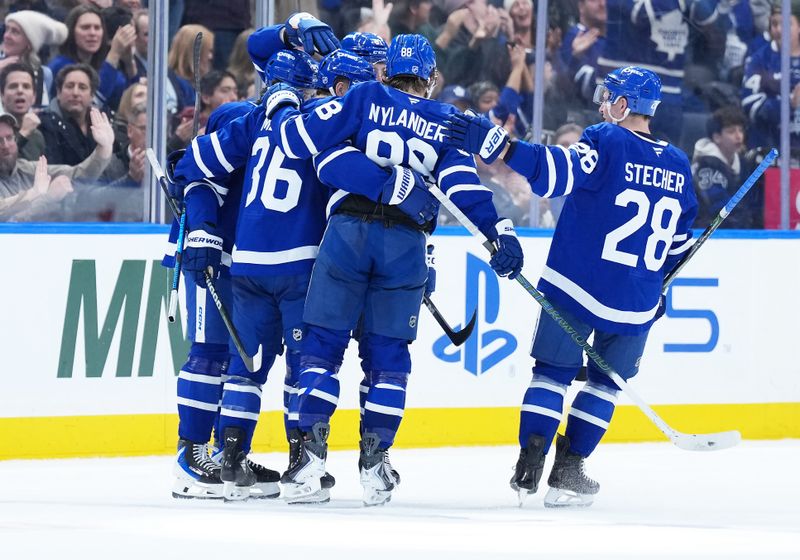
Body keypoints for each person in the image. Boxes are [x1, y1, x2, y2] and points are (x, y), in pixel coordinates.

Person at [173, 26, 441, 506]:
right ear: (343, 82)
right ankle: (276, 461)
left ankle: (232, 458)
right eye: (373, 75)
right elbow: (196, 176)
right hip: (265, 258)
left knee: (243, 365)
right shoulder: (332, 119)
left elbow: (189, 163)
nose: (381, 86)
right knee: (255, 358)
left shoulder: (265, 115)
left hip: (246, 259)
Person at [263, 33, 523, 506]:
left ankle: (309, 462)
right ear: (431, 78)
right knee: (388, 362)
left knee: (320, 350)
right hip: (406, 244)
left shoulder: (364, 95)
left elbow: (304, 144)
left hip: (346, 234)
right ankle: (375, 464)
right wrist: (500, 233)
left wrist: (283, 107)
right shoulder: (448, 121)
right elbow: (465, 191)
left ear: (386, 70)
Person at [444, 66, 697, 507]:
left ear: (624, 105)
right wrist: (658, 291)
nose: (601, 104)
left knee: (552, 375)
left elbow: (553, 172)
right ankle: (569, 472)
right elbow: (677, 245)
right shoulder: (678, 165)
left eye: (608, 96)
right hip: (635, 303)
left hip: (577, 285)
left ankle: (530, 463)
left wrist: (501, 146)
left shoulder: (606, 138)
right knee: (603, 385)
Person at [0, 110, 114, 220]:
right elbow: (12, 222)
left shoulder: (27, 169)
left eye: (9, 137)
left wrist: (104, 149)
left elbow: (79, 175)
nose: (6, 145)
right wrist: (47, 198)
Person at [47, 4, 131, 112]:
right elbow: (93, 103)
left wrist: (130, 64)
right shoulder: (59, 65)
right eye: (85, 27)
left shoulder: (104, 67)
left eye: (97, 28)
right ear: (72, 32)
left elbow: (129, 105)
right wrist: (114, 53)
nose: (92, 33)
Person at [692, 105, 761, 229]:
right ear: (717, 137)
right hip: (711, 233)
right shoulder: (706, 165)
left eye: (740, 130)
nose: (739, 136)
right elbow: (718, 209)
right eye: (731, 131)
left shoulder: (742, 162)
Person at [0, 10, 68, 108]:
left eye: (15, 32)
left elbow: (41, 112)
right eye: (7, 29)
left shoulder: (43, 74)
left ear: (30, 43)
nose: (7, 36)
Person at [0, 62, 45, 160]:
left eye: (26, 86)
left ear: (34, 97)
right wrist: (23, 134)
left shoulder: (37, 135)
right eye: (13, 86)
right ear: (2, 95)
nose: (20, 91)